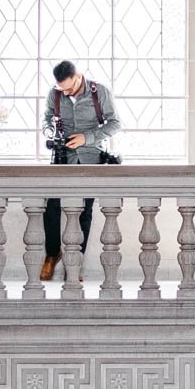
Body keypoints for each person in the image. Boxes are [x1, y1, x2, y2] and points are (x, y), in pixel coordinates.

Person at [39, 60, 121, 281]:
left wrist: (87, 138)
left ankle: (75, 263)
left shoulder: (100, 92)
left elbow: (115, 124)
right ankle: (52, 254)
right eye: (61, 89)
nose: (65, 92)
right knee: (51, 206)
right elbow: (46, 118)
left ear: (78, 76)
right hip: (61, 157)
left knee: (86, 210)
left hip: (91, 158)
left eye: (69, 88)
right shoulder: (54, 93)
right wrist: (49, 132)